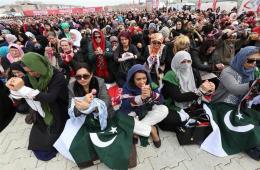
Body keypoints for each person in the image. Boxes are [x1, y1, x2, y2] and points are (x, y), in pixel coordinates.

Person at [5, 52, 69, 161]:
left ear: (38, 66)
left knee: (47, 149)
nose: (31, 74)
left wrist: (23, 89)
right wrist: (13, 87)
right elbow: (20, 93)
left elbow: (50, 97)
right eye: (28, 72)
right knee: (38, 145)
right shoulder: (30, 76)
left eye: (32, 70)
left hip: (58, 110)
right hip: (42, 111)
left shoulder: (57, 76)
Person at [158, 51, 215, 131]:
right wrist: (200, 91)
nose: (186, 64)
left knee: (211, 113)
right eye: (183, 61)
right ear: (177, 62)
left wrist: (208, 88)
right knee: (170, 120)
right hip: (173, 105)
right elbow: (178, 97)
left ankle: (188, 120)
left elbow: (200, 87)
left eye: (188, 61)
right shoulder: (171, 75)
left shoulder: (193, 71)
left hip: (191, 103)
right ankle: (187, 120)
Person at [120, 64, 168, 148]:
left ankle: (136, 132)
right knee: (122, 119)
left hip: (147, 111)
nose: (142, 82)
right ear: (132, 79)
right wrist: (140, 98)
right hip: (134, 112)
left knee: (164, 109)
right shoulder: (127, 87)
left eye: (144, 78)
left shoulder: (152, 84)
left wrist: (152, 95)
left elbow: (161, 100)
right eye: (138, 79)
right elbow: (125, 106)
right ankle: (152, 130)